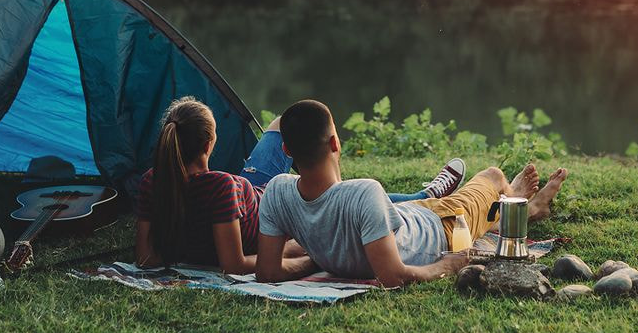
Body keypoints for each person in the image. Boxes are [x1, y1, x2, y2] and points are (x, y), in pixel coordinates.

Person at [134, 97, 468, 274]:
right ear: (210, 144)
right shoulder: (219, 187)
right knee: (332, 194)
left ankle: (419, 195)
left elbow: (146, 258)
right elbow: (233, 264)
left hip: (249, 189)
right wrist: (310, 258)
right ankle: (423, 196)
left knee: (285, 121)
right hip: (266, 199)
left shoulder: (154, 181)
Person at [255, 99, 567, 287]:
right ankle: (524, 208)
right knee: (493, 175)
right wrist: (452, 264)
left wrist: (316, 259)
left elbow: (267, 273)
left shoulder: (277, 192)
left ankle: (504, 215)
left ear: (285, 150)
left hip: (410, 215)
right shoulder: (364, 193)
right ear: (336, 144)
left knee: (429, 203)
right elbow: (394, 277)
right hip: (440, 228)